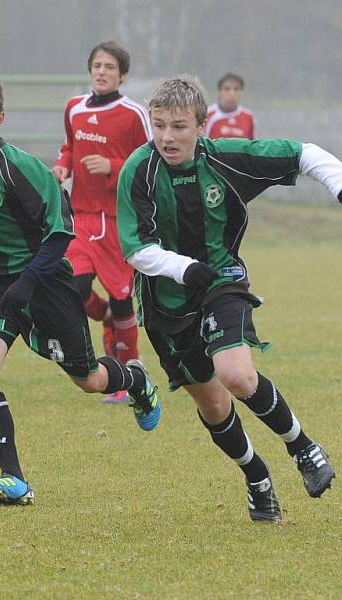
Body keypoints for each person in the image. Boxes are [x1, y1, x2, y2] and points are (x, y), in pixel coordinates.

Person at [0, 74, 161, 507]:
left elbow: (59, 232)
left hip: (45, 284)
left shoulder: (21, 168)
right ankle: (13, 478)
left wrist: (29, 282)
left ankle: (136, 378)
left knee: (87, 379)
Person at [117, 75, 336, 523]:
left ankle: (302, 446)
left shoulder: (228, 161)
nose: (166, 137)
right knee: (213, 406)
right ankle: (256, 477)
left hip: (221, 281)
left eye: (178, 126)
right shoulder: (138, 171)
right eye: (158, 125)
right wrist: (184, 269)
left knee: (236, 375)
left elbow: (305, 154)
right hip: (165, 303)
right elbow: (137, 250)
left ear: (202, 126)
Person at [51, 41, 151, 404]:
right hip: (80, 217)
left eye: (110, 66)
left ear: (122, 74)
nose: (102, 71)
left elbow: (150, 162)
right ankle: (108, 317)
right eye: (97, 65)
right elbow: (69, 147)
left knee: (123, 299)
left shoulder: (133, 114)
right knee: (73, 290)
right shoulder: (74, 107)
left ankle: (129, 375)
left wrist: (114, 167)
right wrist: (63, 166)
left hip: (116, 220)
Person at [205, 72, 254, 139]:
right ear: (219, 91)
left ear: (241, 92)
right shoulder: (207, 114)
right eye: (227, 89)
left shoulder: (248, 116)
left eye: (236, 89)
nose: (232, 93)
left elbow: (250, 145)